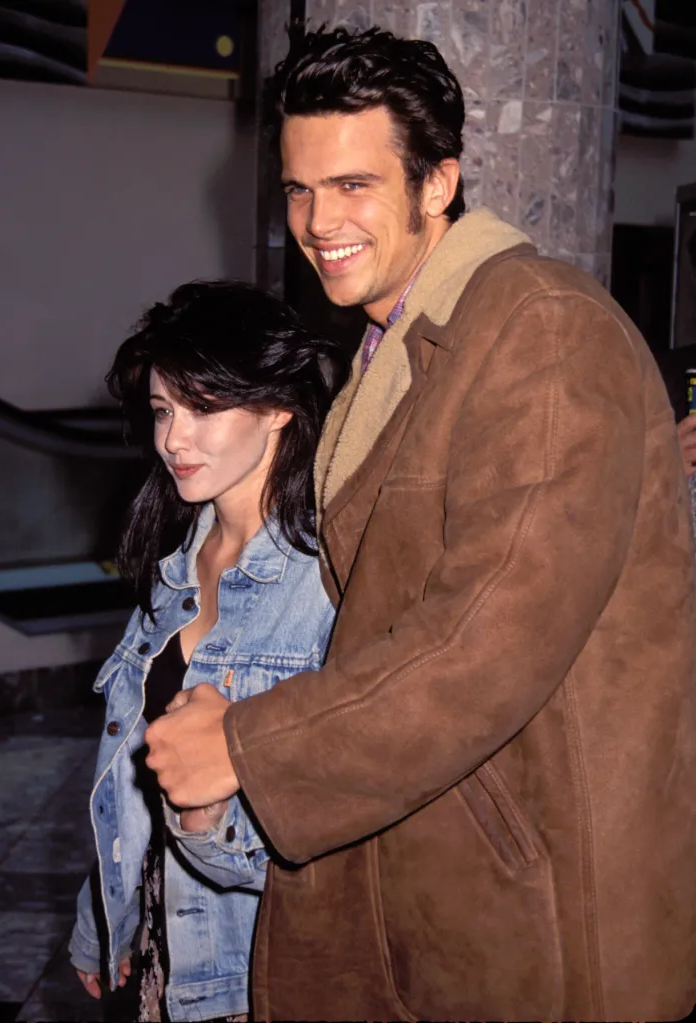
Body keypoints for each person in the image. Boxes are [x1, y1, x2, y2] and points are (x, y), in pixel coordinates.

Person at [144, 27, 696, 1022]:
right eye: (300, 190)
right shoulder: (395, 337)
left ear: (438, 182)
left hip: (534, 916)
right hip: (440, 870)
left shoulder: (539, 328)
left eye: (353, 186)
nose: (319, 221)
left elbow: (487, 638)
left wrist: (250, 747)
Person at [68, 280, 348, 1022]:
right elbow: (129, 765)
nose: (172, 439)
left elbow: (344, 827)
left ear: (280, 405)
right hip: (164, 950)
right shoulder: (173, 562)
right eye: (162, 410)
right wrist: (103, 917)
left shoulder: (331, 580)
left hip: (260, 966)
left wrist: (209, 815)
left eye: (203, 407)